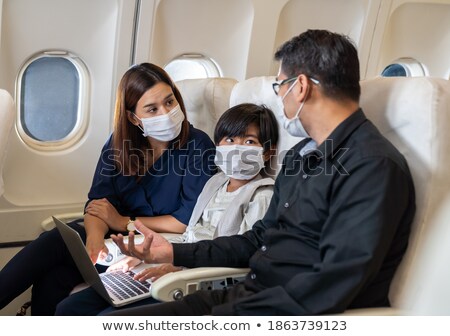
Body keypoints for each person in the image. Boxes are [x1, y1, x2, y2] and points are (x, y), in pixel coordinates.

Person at [108, 29, 416, 316]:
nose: (280, 98)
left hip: (280, 309)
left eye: (280, 86)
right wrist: (175, 253)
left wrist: (226, 316)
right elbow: (258, 240)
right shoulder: (300, 156)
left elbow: (333, 282)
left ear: (301, 87)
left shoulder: (372, 166)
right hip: (253, 291)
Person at [0, 63, 216, 315]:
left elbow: (184, 221)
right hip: (111, 238)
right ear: (134, 118)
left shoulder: (198, 146)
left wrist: (125, 221)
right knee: (54, 259)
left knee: (56, 260)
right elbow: (97, 204)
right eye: (152, 108)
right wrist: (93, 241)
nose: (166, 113)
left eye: (169, 102)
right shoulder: (119, 143)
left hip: (152, 241)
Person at [55, 102, 279, 315]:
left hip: (197, 278)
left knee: (102, 317)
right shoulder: (216, 183)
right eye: (229, 140)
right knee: (68, 308)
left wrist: (178, 270)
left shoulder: (261, 196)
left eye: (249, 142)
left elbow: (240, 255)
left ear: (267, 153)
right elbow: (191, 236)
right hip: (179, 263)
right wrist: (146, 255)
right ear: (218, 145)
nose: (236, 148)